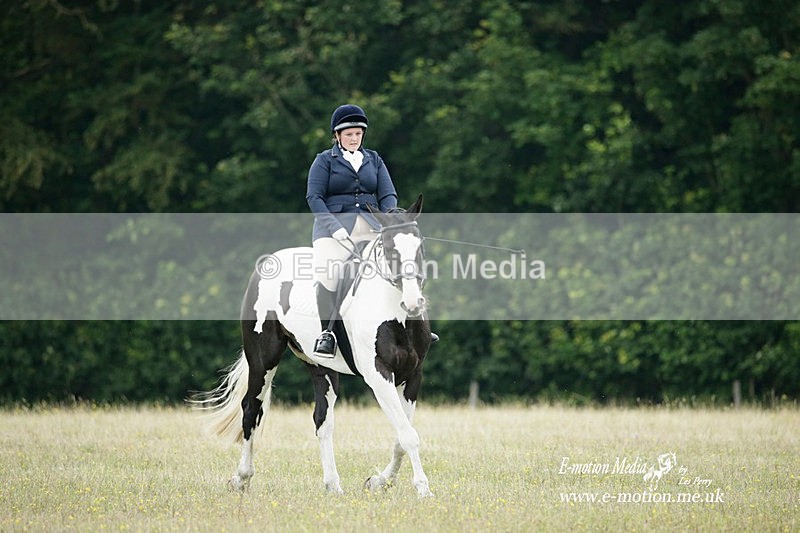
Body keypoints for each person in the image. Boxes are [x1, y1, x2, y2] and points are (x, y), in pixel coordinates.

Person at [306, 104, 398, 357]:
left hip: (372, 227)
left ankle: (410, 325)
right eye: (349, 135)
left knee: (400, 264)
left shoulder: (374, 159)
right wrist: (333, 228)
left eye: (358, 134)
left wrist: (389, 220)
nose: (354, 139)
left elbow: (388, 194)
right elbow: (314, 197)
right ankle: (327, 334)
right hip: (333, 232)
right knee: (331, 273)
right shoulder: (324, 161)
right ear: (337, 136)